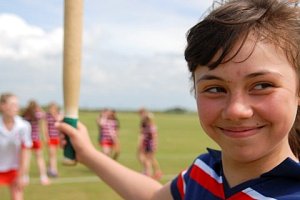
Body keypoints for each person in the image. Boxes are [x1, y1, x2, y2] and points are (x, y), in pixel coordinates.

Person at [56, 0, 300, 199]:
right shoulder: (205, 173)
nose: (236, 110)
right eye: (215, 89)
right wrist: (88, 154)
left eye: (262, 85)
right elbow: (153, 197)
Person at [0, 93, 32, 200]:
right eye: (13, 104)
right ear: (2, 106)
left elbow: (25, 152)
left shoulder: (24, 126)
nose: (16, 108)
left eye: (17, 105)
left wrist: (22, 174)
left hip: (15, 168)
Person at [22, 100, 50, 185]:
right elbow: (44, 115)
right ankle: (43, 177)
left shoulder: (26, 115)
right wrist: (39, 109)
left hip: (27, 139)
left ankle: (25, 178)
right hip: (36, 139)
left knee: (26, 159)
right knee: (39, 158)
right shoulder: (38, 115)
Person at [137, 109, 162, 180]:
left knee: (148, 158)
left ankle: (149, 172)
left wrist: (155, 145)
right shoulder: (145, 125)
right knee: (151, 158)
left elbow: (154, 136)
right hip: (147, 144)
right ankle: (155, 171)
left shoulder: (151, 126)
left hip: (150, 145)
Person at [44, 102, 62, 177]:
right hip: (50, 137)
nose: (52, 110)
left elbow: (60, 122)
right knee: (52, 154)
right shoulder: (47, 116)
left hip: (57, 137)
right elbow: (45, 127)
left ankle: (49, 168)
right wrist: (46, 137)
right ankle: (54, 171)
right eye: (51, 108)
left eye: (54, 108)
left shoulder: (59, 114)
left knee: (54, 154)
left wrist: (57, 116)